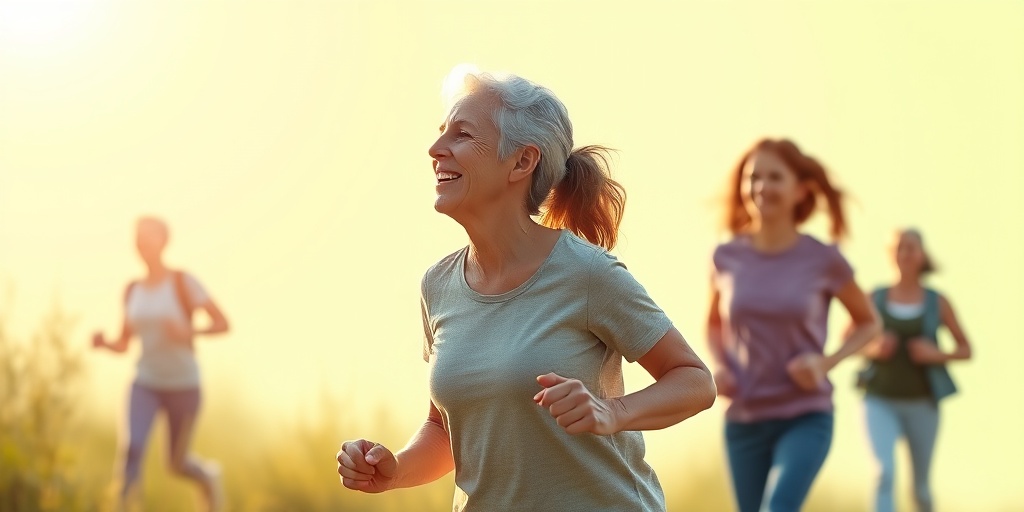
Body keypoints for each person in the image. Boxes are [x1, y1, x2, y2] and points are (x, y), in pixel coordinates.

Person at [336, 69, 716, 512]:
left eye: (462, 135)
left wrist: (613, 412)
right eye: (441, 132)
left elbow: (694, 381)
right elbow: (448, 427)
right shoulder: (437, 285)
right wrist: (394, 470)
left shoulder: (587, 273)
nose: (435, 149)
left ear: (521, 161)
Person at [707, 138, 881, 512]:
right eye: (754, 178)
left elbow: (869, 323)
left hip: (805, 415)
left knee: (779, 507)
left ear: (801, 190)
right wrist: (720, 364)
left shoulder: (824, 260)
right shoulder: (726, 257)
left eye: (775, 177)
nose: (762, 187)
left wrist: (825, 363)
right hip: (743, 418)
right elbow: (713, 324)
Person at [92, 216, 229, 512]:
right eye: (138, 237)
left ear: (164, 240)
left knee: (176, 464)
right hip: (145, 383)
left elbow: (222, 323)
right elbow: (124, 342)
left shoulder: (182, 282)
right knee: (132, 450)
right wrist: (105, 343)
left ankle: (209, 477)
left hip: (184, 386)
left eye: (149, 236)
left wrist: (189, 331)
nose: (142, 242)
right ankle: (125, 506)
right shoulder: (133, 290)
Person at [859, 228, 972, 512]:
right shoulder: (875, 298)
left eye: (911, 247)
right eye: (899, 248)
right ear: (890, 255)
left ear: (922, 255)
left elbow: (965, 349)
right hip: (879, 399)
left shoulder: (937, 302)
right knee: (883, 473)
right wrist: (874, 348)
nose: (905, 254)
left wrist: (936, 354)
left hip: (922, 403)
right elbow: (849, 343)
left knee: (920, 488)